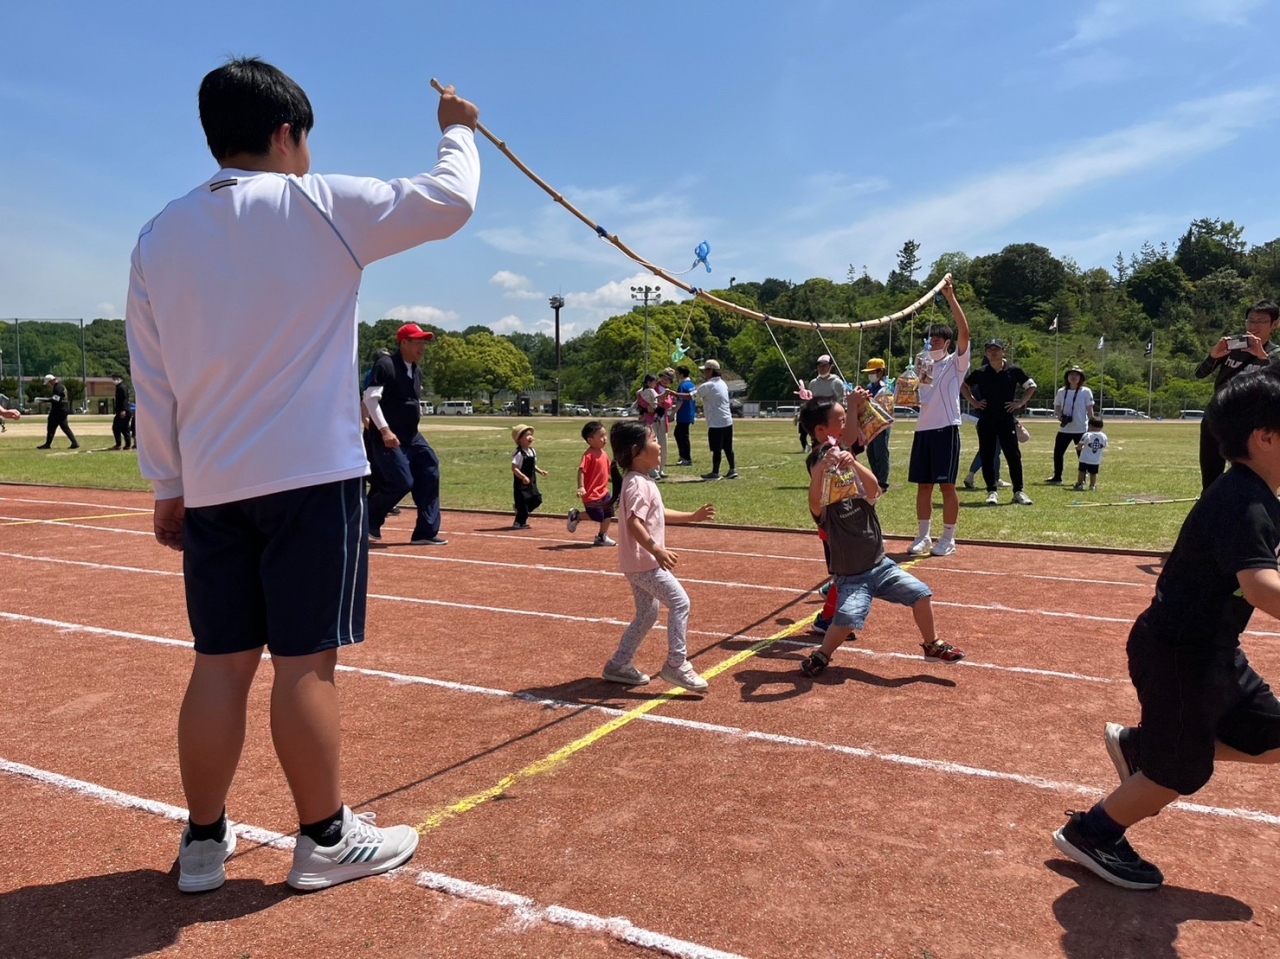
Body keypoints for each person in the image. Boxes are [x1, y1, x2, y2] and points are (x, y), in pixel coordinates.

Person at [125, 57, 479, 893]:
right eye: (306, 139)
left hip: (212, 485)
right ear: (286, 135)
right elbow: (451, 201)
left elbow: (154, 378)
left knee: (219, 662)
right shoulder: (319, 205)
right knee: (305, 663)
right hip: (310, 477)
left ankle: (203, 845)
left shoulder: (156, 235)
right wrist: (458, 130)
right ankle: (323, 836)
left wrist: (167, 485)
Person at [1052, 366, 1280, 890]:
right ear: (1265, 437)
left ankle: (1146, 745)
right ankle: (1094, 832)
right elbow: (1263, 588)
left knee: (1271, 738)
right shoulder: (1242, 503)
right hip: (1180, 654)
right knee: (1180, 772)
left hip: (1214, 652)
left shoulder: (1257, 494)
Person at [797, 397, 964, 677]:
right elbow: (815, 494)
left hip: (882, 567)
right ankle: (822, 655)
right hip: (852, 577)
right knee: (847, 619)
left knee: (921, 594)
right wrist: (822, 469)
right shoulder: (826, 510)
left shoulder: (861, 497)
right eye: (839, 420)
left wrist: (854, 464)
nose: (844, 481)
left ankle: (932, 644)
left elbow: (874, 487)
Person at [602, 420, 716, 691]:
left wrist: (692, 517)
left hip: (638, 563)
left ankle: (619, 664)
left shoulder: (641, 481)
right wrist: (656, 549)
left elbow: (658, 513)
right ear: (637, 451)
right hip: (645, 563)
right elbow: (634, 522)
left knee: (647, 614)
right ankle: (677, 664)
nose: (660, 445)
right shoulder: (637, 484)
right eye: (653, 440)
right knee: (680, 603)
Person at [363, 324, 448, 545]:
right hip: (388, 437)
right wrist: (384, 430)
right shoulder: (386, 365)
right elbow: (370, 399)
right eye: (417, 342)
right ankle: (367, 521)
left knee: (430, 470)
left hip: (412, 436)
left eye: (424, 342)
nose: (422, 347)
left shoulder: (416, 371)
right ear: (403, 343)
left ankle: (425, 532)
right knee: (402, 481)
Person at [906, 277, 970, 557]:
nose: (933, 343)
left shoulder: (956, 364)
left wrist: (951, 297)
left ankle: (949, 538)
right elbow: (918, 398)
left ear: (948, 343)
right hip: (924, 431)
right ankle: (923, 536)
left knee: (947, 485)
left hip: (946, 430)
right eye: (930, 339)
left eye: (938, 339)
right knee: (923, 486)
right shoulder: (923, 366)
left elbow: (965, 333)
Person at [1194, 301, 1280, 490]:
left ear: (1275, 324)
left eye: (1261, 322)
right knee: (1210, 477)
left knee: (1248, 477)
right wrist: (1214, 355)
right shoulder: (1233, 349)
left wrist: (1262, 356)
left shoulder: (1275, 354)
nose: (1254, 327)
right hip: (1217, 417)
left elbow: (1276, 380)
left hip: (1252, 423)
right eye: (1250, 321)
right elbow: (1199, 374)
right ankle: (1212, 512)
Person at [962, 340, 1037, 506]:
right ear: (986, 353)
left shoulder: (1014, 371)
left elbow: (1031, 386)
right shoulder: (981, 372)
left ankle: (1018, 491)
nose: (993, 352)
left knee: (1013, 455)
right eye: (990, 350)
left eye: (997, 349)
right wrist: (974, 402)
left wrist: (1020, 403)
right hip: (986, 420)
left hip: (1006, 420)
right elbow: (964, 386)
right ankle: (992, 491)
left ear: (1004, 352)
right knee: (987, 455)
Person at [568, 420, 617, 546]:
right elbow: (581, 471)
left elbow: (606, 472)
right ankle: (576, 516)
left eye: (605, 435)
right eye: (601, 436)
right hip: (591, 494)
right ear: (590, 440)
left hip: (603, 492)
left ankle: (602, 536)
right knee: (596, 515)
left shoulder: (604, 454)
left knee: (608, 514)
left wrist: (612, 480)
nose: (605, 439)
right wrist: (581, 486)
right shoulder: (588, 455)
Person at [1046, 367, 1094, 485]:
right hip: (1065, 428)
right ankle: (1057, 476)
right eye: (1071, 374)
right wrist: (1059, 415)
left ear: (1081, 378)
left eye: (1076, 375)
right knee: (1058, 453)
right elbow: (1057, 405)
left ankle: (1083, 476)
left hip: (1081, 428)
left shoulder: (1085, 391)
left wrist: (1092, 426)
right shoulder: (1062, 391)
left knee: (1082, 454)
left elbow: (1089, 408)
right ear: (1067, 378)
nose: (1073, 377)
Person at [696, 359, 738, 480]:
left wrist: (673, 394)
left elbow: (691, 397)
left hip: (716, 422)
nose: (704, 373)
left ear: (711, 371)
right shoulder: (723, 383)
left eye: (705, 370)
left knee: (716, 449)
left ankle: (715, 473)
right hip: (727, 420)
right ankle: (732, 469)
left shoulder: (708, 385)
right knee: (728, 447)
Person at [637, 371, 674, 478]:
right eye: (663, 377)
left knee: (663, 445)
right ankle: (653, 470)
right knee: (652, 444)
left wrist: (662, 402)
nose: (665, 380)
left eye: (668, 379)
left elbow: (668, 404)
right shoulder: (652, 388)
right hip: (651, 419)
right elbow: (641, 399)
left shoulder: (669, 392)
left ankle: (661, 469)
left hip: (663, 420)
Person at [509, 423, 547, 529]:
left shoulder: (532, 451)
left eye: (530, 435)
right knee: (523, 503)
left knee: (537, 499)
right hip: (521, 483)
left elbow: (533, 466)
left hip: (531, 481)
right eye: (526, 435)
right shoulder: (519, 453)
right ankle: (518, 522)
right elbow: (514, 468)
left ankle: (520, 510)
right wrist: (523, 477)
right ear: (519, 440)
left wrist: (540, 471)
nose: (530, 437)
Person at [862, 357, 891, 489]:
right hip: (870, 422)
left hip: (882, 423)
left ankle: (883, 481)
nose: (871, 375)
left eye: (873, 372)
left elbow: (887, 406)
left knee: (881, 451)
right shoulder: (870, 387)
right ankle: (875, 477)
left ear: (881, 372)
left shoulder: (887, 387)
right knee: (871, 452)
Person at [37, 373, 78, 449]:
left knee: (51, 426)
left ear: (51, 381)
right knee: (64, 427)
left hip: (58, 410)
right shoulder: (61, 386)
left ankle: (47, 444)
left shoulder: (57, 388)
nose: (49, 385)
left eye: (48, 383)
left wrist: (44, 400)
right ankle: (74, 443)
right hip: (63, 409)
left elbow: (56, 399)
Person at [1073, 416, 1108, 491]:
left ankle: (1080, 484)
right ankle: (1092, 485)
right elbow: (1104, 446)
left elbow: (1080, 446)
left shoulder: (1087, 435)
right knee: (1093, 473)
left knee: (1082, 471)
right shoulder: (1104, 436)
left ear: (1090, 425)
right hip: (1096, 459)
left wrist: (1078, 448)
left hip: (1084, 458)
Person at [671, 364, 696, 466]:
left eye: (677, 373)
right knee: (679, 434)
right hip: (689, 413)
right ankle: (683, 456)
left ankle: (686, 458)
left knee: (682, 436)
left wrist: (673, 413)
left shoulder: (682, 385)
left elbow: (680, 401)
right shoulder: (691, 385)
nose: (676, 376)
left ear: (681, 374)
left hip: (683, 414)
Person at [111, 374, 133, 450]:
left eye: (116, 378)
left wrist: (123, 410)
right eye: (114, 378)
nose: (114, 380)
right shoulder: (119, 387)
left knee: (124, 428)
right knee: (117, 427)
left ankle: (127, 445)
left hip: (124, 411)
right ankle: (120, 444)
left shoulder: (122, 387)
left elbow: (124, 399)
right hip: (121, 411)